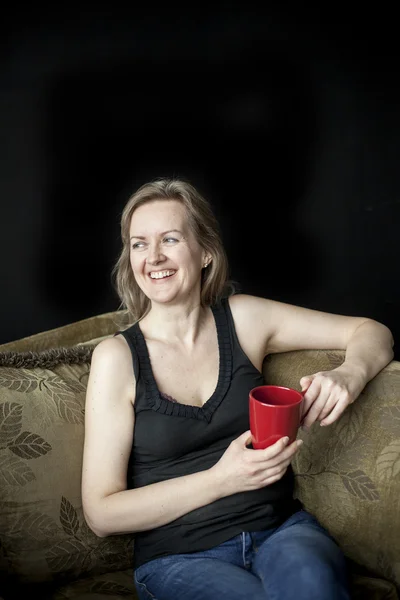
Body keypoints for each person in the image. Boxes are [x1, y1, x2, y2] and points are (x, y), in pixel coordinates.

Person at [81, 177, 394, 600]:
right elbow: (101, 513)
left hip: (283, 531)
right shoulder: (117, 359)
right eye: (139, 243)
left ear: (205, 251)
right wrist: (222, 479)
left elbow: (370, 330)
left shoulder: (245, 320)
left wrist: (350, 373)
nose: (153, 257)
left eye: (169, 239)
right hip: (178, 558)